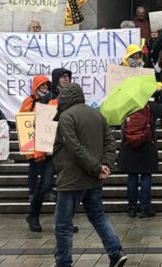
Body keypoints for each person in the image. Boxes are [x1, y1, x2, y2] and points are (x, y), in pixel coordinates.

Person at [51, 83, 126, 267]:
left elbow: (74, 148)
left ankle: (63, 262)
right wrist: (105, 166)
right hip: (93, 179)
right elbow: (110, 142)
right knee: (98, 216)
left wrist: (97, 168)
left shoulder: (66, 117)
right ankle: (116, 252)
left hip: (72, 179)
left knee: (63, 224)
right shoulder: (97, 114)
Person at [118, 85, 162, 218]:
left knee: (132, 177)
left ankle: (131, 207)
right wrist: (161, 91)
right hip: (147, 146)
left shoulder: (126, 108)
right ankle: (145, 207)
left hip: (129, 146)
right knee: (146, 176)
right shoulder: (152, 108)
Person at [20, 75, 56, 232]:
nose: (44, 88)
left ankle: (63, 220)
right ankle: (33, 212)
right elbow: (24, 120)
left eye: (46, 86)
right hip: (39, 145)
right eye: (42, 86)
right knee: (43, 181)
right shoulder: (31, 101)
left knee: (58, 185)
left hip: (53, 146)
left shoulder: (53, 100)